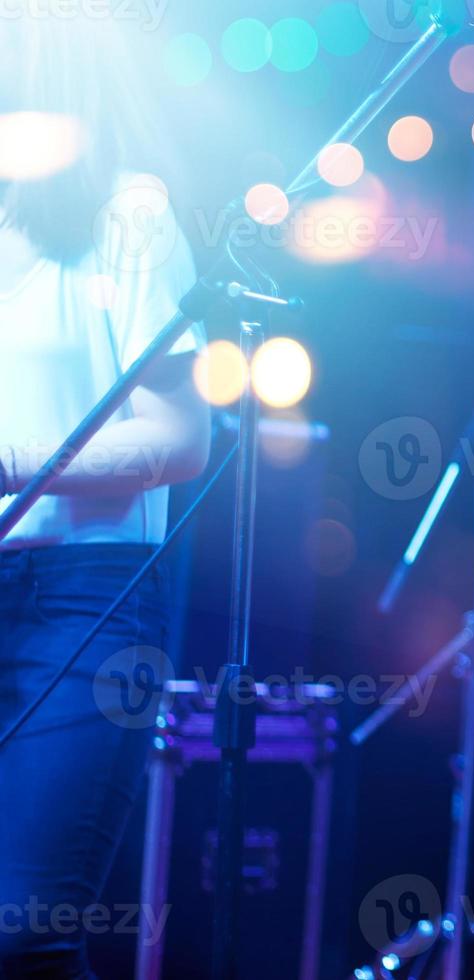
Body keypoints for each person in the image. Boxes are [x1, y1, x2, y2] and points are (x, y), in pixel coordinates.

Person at [0, 20, 209, 978]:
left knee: (25, 927)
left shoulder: (130, 214)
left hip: (84, 597)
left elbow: (180, 439)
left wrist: (15, 459)